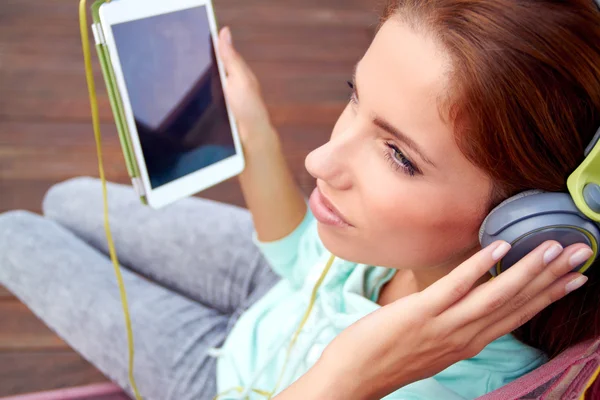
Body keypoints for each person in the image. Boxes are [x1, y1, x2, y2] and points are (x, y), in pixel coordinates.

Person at [0, 0, 598, 399]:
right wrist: (255, 136)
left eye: (399, 156)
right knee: (68, 198)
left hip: (220, 377)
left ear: (530, 225)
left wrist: (348, 378)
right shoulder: (400, 245)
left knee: (14, 236)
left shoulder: (461, 386)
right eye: (354, 95)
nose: (318, 161)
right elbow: (303, 259)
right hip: (277, 292)